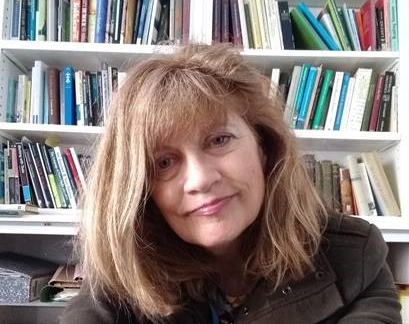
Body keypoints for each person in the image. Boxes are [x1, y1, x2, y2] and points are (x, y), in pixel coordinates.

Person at [60, 44, 401, 324]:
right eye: (164, 163)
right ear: (140, 189)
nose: (201, 179)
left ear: (264, 148)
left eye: (219, 140)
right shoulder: (119, 280)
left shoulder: (354, 256)